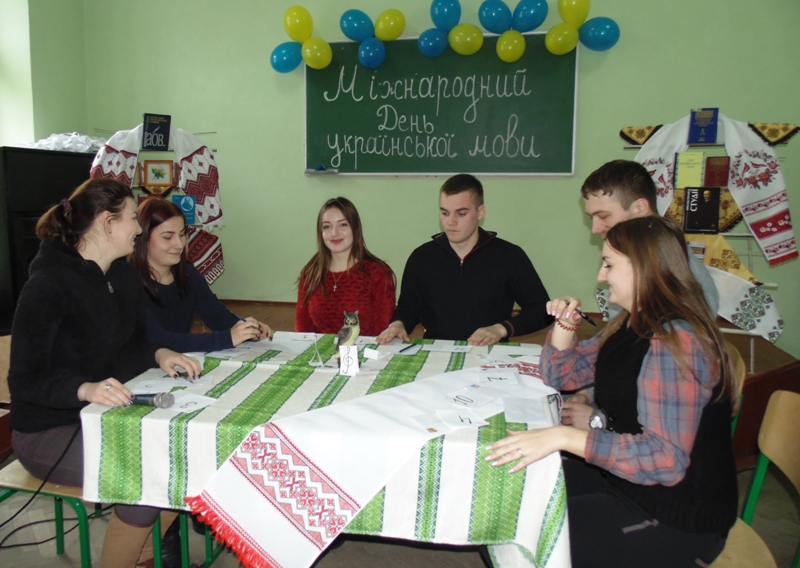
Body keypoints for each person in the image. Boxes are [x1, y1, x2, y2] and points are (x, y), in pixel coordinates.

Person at [486, 217, 737, 568]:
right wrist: (564, 327)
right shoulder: (631, 323)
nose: (601, 276)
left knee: (516, 535)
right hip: (627, 480)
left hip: (675, 516)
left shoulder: (676, 341)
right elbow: (561, 376)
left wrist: (564, 437)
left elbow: (665, 461)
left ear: (643, 268)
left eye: (608, 264)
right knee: (512, 495)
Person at [8, 179, 202, 568]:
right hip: (48, 430)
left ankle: (143, 558)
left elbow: (131, 348)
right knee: (150, 475)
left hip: (106, 417)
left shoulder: (123, 276)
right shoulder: (48, 284)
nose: (137, 229)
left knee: (186, 456)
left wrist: (159, 352)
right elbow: (25, 381)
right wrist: (84, 389)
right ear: (105, 221)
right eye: (131, 217)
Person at [565, 159, 722, 430]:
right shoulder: (631, 277)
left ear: (639, 208)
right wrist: (586, 391)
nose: (596, 229)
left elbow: (663, 414)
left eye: (603, 216)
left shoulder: (683, 290)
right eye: (592, 218)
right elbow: (614, 351)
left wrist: (594, 413)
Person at [376, 174, 551, 346]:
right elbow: (409, 308)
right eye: (445, 213)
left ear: (480, 212)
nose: (450, 222)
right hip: (436, 351)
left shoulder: (509, 256)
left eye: (461, 213)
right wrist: (398, 324)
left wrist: (500, 329)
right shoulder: (422, 257)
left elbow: (542, 310)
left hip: (491, 353)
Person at [130, 198, 271, 353]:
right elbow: (158, 340)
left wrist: (248, 330)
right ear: (143, 238)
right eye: (168, 237)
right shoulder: (128, 280)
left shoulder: (188, 273)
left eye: (182, 235)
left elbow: (217, 316)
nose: (179, 244)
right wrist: (227, 338)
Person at [296, 197, 396, 336]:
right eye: (326, 226)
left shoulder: (378, 273)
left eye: (342, 225)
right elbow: (302, 330)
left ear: (355, 228)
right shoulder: (311, 273)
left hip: (364, 349)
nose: (334, 233)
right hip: (319, 349)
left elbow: (382, 331)